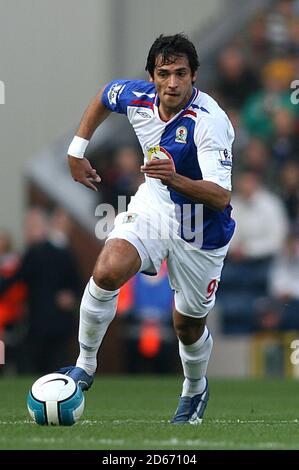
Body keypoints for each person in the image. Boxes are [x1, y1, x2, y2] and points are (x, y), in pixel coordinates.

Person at [61, 33, 235, 424]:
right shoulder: (138, 97)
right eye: (164, 74)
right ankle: (85, 366)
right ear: (152, 76)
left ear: (194, 76)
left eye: (181, 74)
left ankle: (194, 388)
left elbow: (221, 196)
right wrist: (76, 151)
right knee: (107, 271)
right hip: (154, 205)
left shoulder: (210, 122)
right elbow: (106, 95)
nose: (172, 83)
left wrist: (174, 178)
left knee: (186, 326)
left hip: (201, 228)